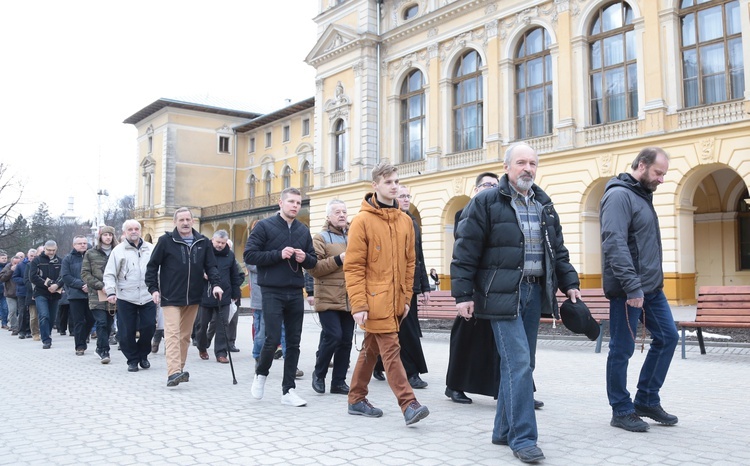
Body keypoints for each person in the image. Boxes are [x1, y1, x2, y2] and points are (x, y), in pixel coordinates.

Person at [451, 143, 580, 463]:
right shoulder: (485, 202)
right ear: (506, 167)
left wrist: (570, 283)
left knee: (522, 364)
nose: (528, 168)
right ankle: (523, 438)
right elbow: (466, 250)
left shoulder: (544, 204)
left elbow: (557, 250)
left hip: (534, 293)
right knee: (519, 363)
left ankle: (502, 429)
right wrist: (463, 295)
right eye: (521, 162)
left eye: (533, 163)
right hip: (501, 294)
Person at [600, 147, 680, 432]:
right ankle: (621, 409)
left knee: (668, 338)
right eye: (659, 173)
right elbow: (614, 243)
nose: (661, 179)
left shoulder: (641, 196)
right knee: (621, 349)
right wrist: (633, 287)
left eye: (663, 174)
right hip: (628, 290)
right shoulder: (619, 195)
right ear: (642, 166)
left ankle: (646, 399)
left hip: (650, 288)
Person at [344, 163, 429, 426]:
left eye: (396, 181)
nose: (394, 186)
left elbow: (409, 264)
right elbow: (354, 266)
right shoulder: (361, 221)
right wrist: (358, 303)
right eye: (389, 181)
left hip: (396, 301)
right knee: (391, 350)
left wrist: (406, 299)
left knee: (370, 350)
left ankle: (356, 398)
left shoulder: (405, 221)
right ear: (375, 185)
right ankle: (408, 403)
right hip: (372, 300)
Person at [245, 188, 317, 406]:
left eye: (299, 202)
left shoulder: (303, 230)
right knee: (271, 338)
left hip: (295, 291)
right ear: (281, 203)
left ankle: (288, 391)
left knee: (294, 342)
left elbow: (313, 261)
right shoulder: (265, 226)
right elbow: (249, 254)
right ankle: (261, 374)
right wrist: (278, 254)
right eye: (291, 201)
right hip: (271, 291)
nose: (295, 205)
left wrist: (305, 258)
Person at [146, 208, 223, 387]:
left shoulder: (203, 242)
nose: (185, 223)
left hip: (194, 297)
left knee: (185, 336)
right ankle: (173, 372)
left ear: (193, 221)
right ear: (175, 222)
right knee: (172, 334)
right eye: (181, 220)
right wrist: (153, 289)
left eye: (188, 219)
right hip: (170, 296)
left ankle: (178, 370)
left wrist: (216, 284)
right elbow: (152, 266)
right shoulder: (166, 241)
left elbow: (211, 266)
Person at [445, 172, 501, 404]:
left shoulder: (502, 211)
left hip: (499, 286)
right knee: (465, 336)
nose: (492, 188)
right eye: (487, 184)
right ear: (476, 189)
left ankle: (510, 390)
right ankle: (454, 385)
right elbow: (464, 253)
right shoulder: (464, 213)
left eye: (496, 185)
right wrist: (464, 293)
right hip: (475, 285)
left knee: (503, 339)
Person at [372, 184, 430, 388]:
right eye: (402, 196)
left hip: (409, 286)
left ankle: (410, 372)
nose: (405, 199)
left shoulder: (412, 223)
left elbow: (418, 258)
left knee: (408, 330)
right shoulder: (386, 220)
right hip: (386, 285)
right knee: (388, 329)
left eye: (408, 196)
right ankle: (381, 364)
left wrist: (424, 287)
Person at [309, 199, 354, 396]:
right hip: (328, 297)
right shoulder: (320, 238)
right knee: (333, 336)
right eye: (337, 212)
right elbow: (314, 268)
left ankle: (339, 382)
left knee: (345, 340)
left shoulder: (354, 236)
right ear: (328, 216)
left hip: (350, 297)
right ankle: (319, 374)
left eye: (344, 211)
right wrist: (338, 259)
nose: (342, 215)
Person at [104, 220, 155, 373]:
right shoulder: (118, 251)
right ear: (125, 232)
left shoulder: (151, 249)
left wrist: (159, 290)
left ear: (140, 231)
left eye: (136, 229)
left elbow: (159, 270)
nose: (134, 231)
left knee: (149, 327)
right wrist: (111, 291)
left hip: (148, 295)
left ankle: (143, 355)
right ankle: (132, 359)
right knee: (127, 331)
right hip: (126, 295)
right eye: (130, 229)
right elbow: (110, 273)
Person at [195, 230, 242, 364]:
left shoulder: (230, 255)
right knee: (202, 325)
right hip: (206, 294)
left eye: (223, 243)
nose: (220, 245)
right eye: (218, 242)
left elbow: (234, 275)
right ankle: (202, 346)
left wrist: (235, 292)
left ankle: (221, 353)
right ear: (212, 240)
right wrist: (202, 273)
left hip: (224, 294)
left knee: (223, 324)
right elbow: (194, 268)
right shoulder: (203, 252)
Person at [81, 226, 118, 364]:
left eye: (110, 235)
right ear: (100, 237)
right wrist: (101, 286)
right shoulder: (91, 253)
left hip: (114, 294)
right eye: (105, 235)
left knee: (109, 324)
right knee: (101, 322)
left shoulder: (117, 251)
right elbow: (85, 273)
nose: (108, 237)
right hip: (97, 294)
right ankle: (104, 350)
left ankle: (99, 347)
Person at [62, 235, 94, 356]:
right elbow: (66, 276)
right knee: (78, 321)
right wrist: (81, 285)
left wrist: (90, 285)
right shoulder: (68, 259)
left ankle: (83, 336)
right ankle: (80, 346)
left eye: (84, 243)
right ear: (74, 245)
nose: (82, 245)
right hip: (76, 294)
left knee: (91, 319)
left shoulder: (92, 256)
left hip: (92, 293)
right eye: (80, 243)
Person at [29, 241, 64, 350]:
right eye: (49, 250)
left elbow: (64, 276)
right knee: (44, 315)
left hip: (55, 293)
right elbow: (33, 277)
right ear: (44, 249)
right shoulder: (37, 261)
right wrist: (48, 284)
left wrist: (57, 285)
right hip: (41, 293)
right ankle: (46, 340)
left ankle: (47, 333)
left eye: (53, 250)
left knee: (51, 317)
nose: (51, 252)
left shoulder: (60, 261)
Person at [13, 248, 36, 340]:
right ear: (28, 255)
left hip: (32, 292)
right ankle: (21, 331)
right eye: (31, 256)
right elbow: (15, 277)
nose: (33, 258)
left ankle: (29, 330)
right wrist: (26, 281)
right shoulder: (21, 265)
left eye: (35, 256)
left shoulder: (37, 265)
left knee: (31, 312)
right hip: (22, 292)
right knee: (22, 311)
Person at [0, 252, 23, 334]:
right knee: (12, 311)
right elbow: (2, 278)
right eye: (15, 263)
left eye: (18, 263)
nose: (16, 265)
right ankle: (14, 327)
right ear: (11, 262)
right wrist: (10, 271)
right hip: (10, 293)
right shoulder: (7, 267)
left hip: (20, 293)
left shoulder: (23, 267)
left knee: (21, 311)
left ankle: (20, 327)